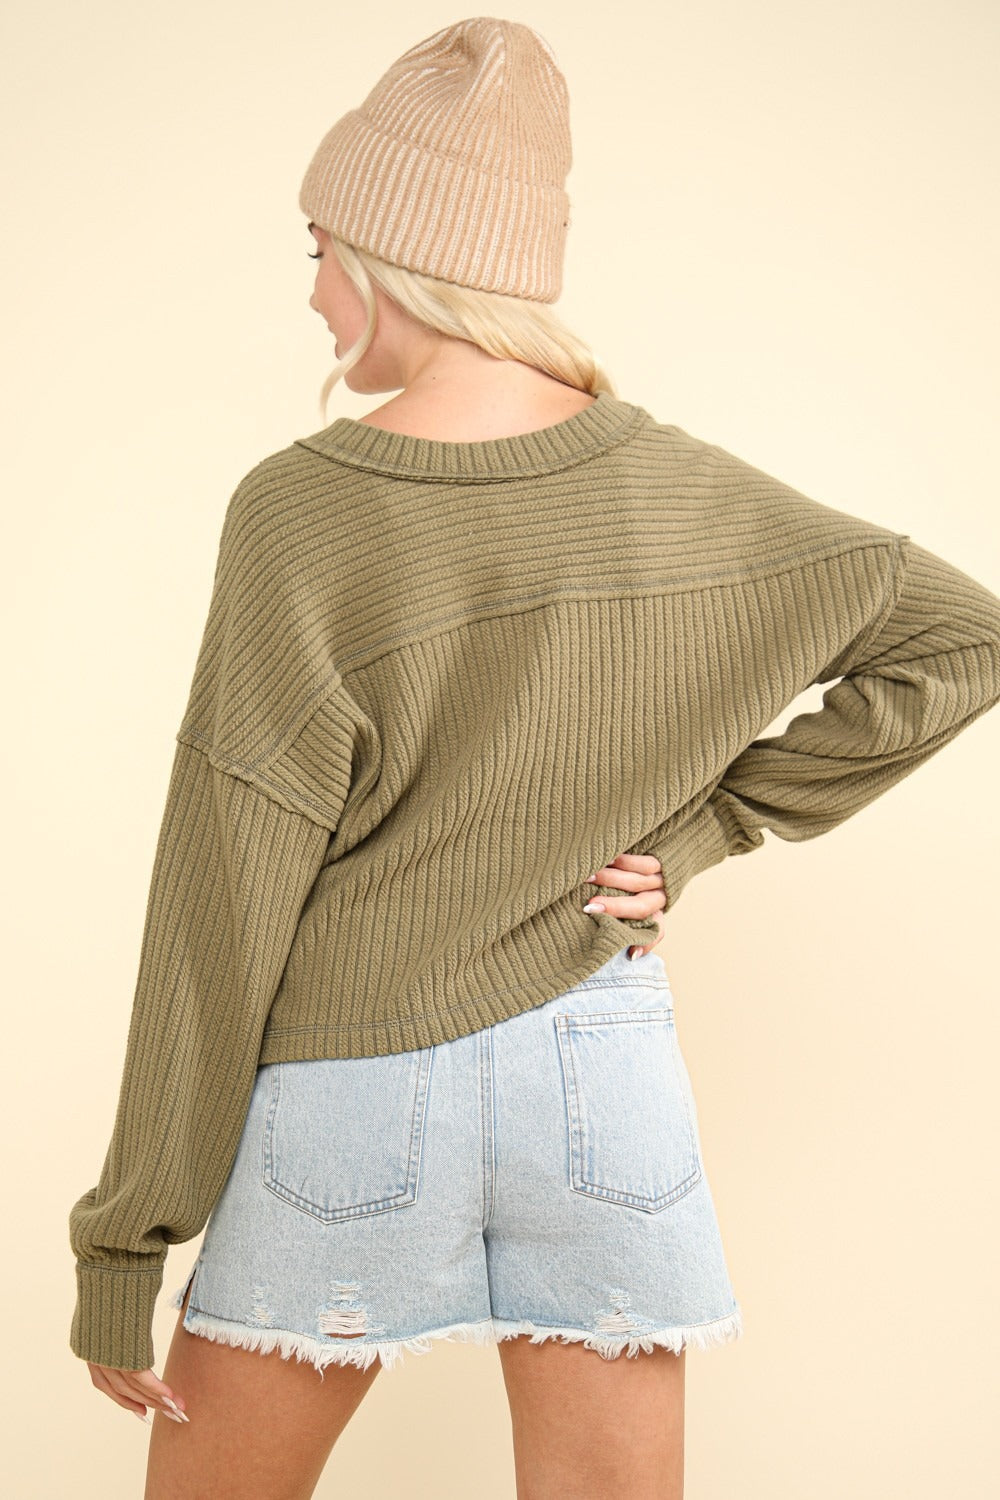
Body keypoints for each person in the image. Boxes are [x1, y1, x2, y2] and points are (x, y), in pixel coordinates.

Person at [67, 17, 1000, 1500]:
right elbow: (966, 641)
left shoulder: (304, 510)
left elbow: (220, 901)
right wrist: (703, 834)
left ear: (394, 256)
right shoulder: (688, 491)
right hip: (599, 1062)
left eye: (320, 248)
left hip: (350, 1076)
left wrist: (128, 1237)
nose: (312, 291)